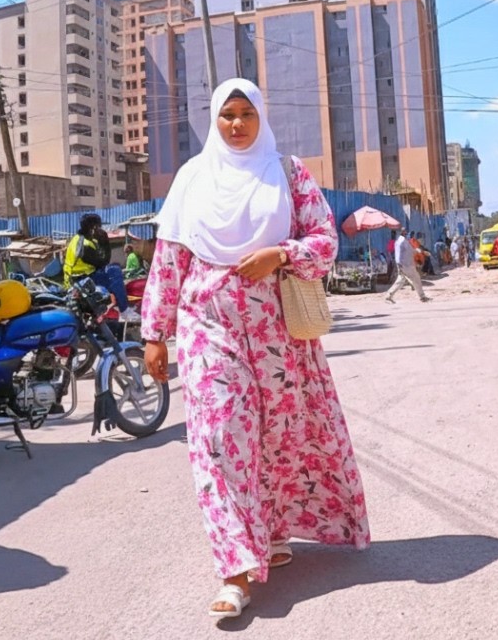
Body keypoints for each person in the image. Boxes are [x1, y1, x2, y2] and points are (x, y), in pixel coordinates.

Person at [140, 79, 369, 619]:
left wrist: (280, 254)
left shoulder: (288, 172)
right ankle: (236, 568)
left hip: (276, 332)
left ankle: (272, 530)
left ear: (261, 118)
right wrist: (154, 333)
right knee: (221, 439)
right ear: (214, 122)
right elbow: (169, 258)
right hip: (207, 327)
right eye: (227, 115)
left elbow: (324, 241)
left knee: (275, 436)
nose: (237, 124)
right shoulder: (193, 179)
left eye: (246, 114)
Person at [64, 213, 141, 323]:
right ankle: (124, 310)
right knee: (114, 271)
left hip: (75, 278)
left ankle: (118, 304)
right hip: (81, 280)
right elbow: (103, 262)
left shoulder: (77, 239)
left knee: (112, 271)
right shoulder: (85, 245)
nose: (100, 229)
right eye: (98, 227)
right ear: (93, 228)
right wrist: (105, 241)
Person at [385, 228, 429, 304]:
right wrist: (422, 252)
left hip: (400, 264)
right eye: (404, 231)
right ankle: (422, 297)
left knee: (400, 281)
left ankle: (388, 296)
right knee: (416, 278)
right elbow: (411, 251)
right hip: (406, 264)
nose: (406, 233)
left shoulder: (398, 241)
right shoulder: (403, 241)